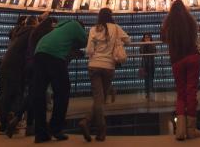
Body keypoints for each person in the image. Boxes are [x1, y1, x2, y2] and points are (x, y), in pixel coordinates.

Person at [33, 19, 88, 143]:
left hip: (39, 52)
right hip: (54, 56)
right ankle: (55, 128)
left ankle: (40, 133)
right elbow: (87, 42)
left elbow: (65, 44)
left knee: (39, 94)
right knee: (62, 92)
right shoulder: (75, 25)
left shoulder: (58, 28)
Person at [79, 8, 129, 142]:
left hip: (94, 65)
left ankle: (88, 122)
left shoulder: (93, 29)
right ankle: (97, 129)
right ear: (111, 16)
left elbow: (89, 50)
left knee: (98, 98)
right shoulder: (115, 28)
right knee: (101, 99)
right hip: (108, 67)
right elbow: (128, 41)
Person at [161, 0, 200, 141]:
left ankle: (180, 130)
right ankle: (191, 129)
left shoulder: (168, 24)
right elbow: (195, 36)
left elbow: (163, 38)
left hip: (177, 60)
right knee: (191, 91)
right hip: (192, 57)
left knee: (181, 93)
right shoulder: (191, 21)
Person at [0, 16, 38, 137]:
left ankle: (3, 123)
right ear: (35, 23)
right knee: (17, 94)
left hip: (5, 63)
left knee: (7, 93)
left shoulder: (19, 31)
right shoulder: (32, 31)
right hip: (16, 65)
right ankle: (12, 122)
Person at [140, 33, 156, 99]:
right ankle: (147, 93)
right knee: (146, 79)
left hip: (151, 63)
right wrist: (145, 45)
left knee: (151, 78)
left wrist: (149, 44)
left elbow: (154, 52)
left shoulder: (153, 44)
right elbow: (141, 52)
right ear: (143, 38)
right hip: (144, 63)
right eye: (145, 37)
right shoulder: (142, 45)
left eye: (148, 37)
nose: (147, 39)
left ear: (150, 38)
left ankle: (151, 92)